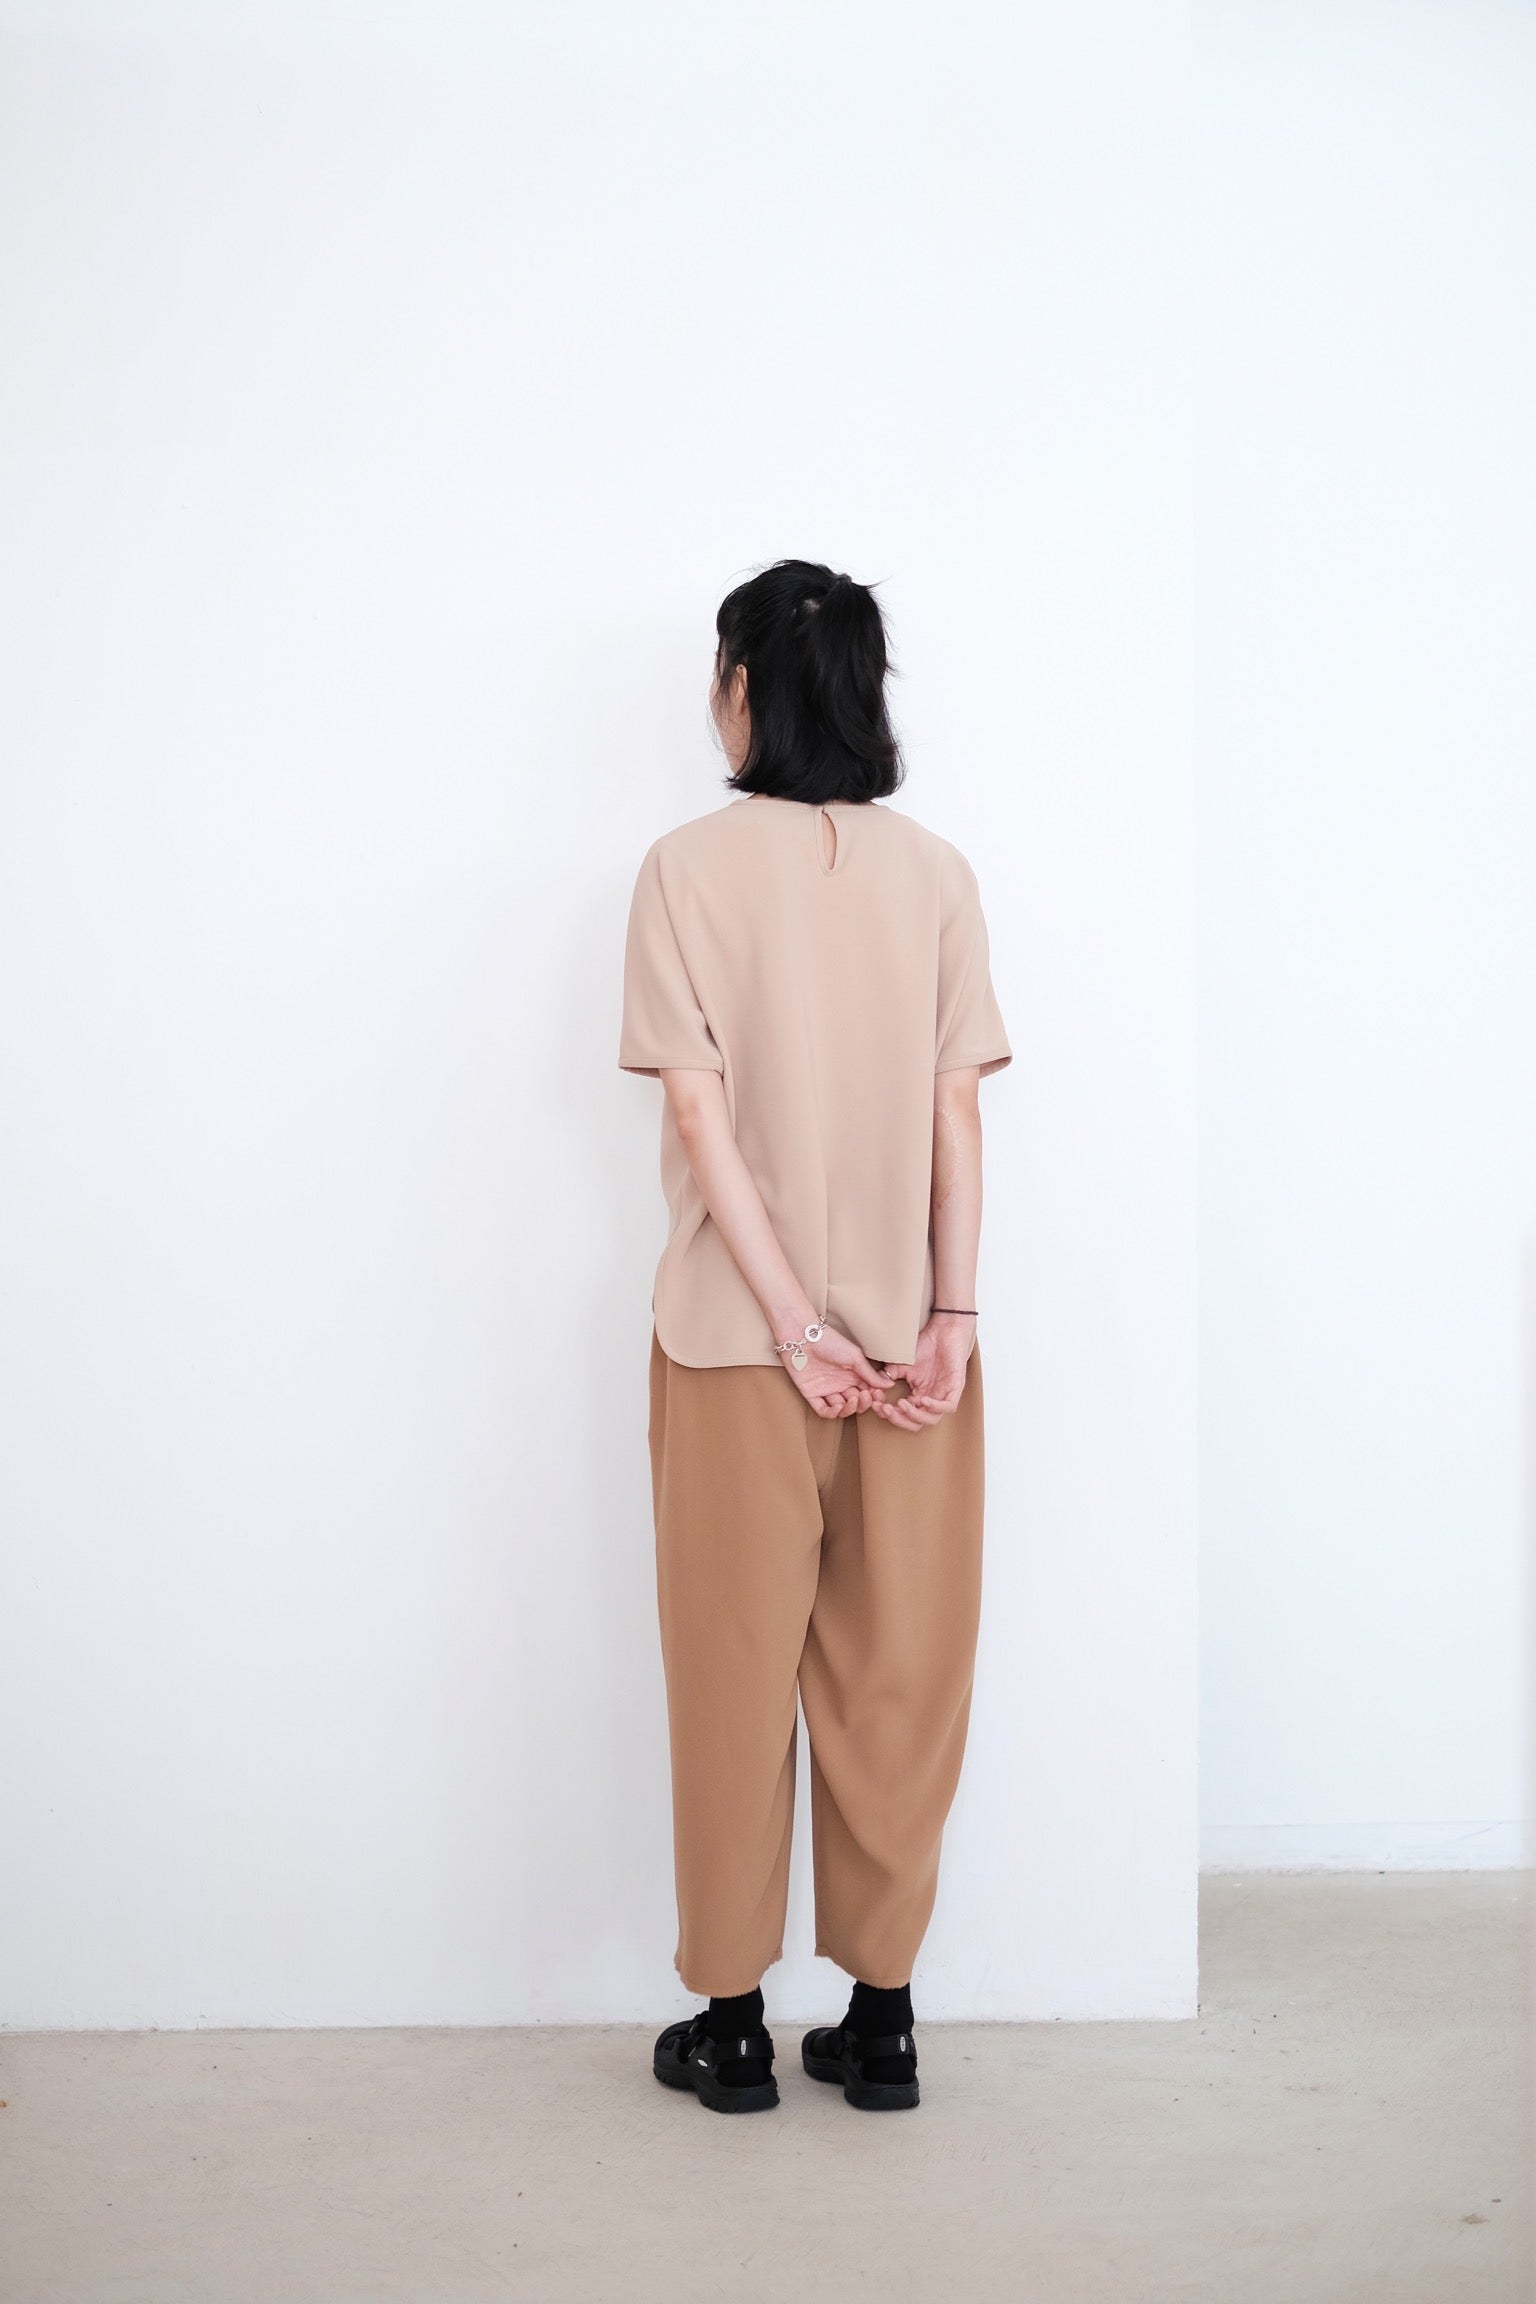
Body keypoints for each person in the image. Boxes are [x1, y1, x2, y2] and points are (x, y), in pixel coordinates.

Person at [618, 559, 1011, 2114]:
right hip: (912, 1357)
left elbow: (698, 1117)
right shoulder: (939, 877)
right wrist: (950, 1316)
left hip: (736, 1344)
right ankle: (884, 2018)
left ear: (742, 688)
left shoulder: (682, 871)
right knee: (897, 1674)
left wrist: (790, 1323)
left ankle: (730, 2028)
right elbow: (958, 1112)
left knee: (731, 1675)